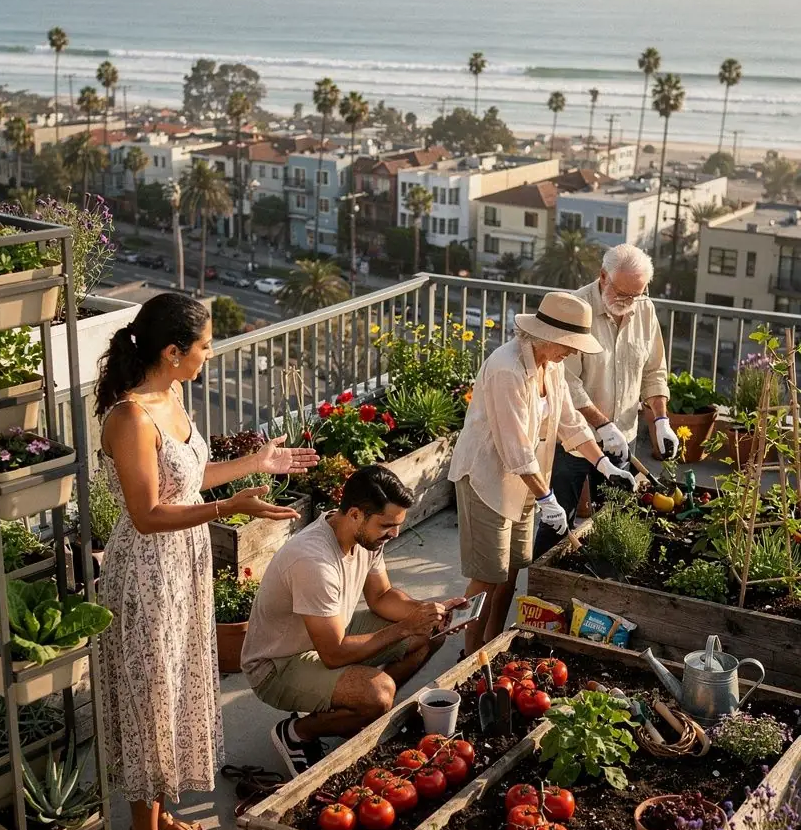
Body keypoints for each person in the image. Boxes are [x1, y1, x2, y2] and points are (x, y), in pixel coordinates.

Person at [96, 292, 317, 830]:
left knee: (174, 695)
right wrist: (231, 508)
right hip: (145, 577)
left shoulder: (172, 398)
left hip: (183, 568)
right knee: (150, 705)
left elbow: (190, 479)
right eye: (204, 345)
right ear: (172, 352)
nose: (209, 354)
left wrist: (256, 463)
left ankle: (157, 816)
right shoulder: (130, 417)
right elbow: (144, 515)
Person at [242, 464, 466, 777]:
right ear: (356, 515)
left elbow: (382, 596)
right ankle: (298, 733)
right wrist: (405, 627)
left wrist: (428, 611)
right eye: (387, 525)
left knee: (428, 633)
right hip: (278, 664)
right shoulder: (313, 560)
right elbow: (333, 654)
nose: (395, 533)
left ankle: (353, 713)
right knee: (378, 694)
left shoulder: (366, 537)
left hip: (329, 633)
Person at [449, 289, 637, 653]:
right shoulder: (506, 369)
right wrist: (548, 498)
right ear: (547, 336)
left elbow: (570, 423)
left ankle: (493, 642)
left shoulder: (551, 366)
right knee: (488, 575)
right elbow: (514, 447)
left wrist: (603, 463)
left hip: (524, 483)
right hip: (487, 478)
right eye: (571, 343)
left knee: (514, 567)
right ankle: (468, 654)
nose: (575, 351)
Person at [534, 244, 674, 558]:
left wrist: (662, 420)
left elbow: (655, 370)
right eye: (622, 293)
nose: (628, 302)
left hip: (622, 438)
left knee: (614, 517)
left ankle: (601, 586)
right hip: (571, 440)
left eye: (635, 294)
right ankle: (539, 588)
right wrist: (602, 425)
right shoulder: (575, 309)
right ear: (602, 276)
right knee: (558, 522)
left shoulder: (645, 309)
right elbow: (567, 383)